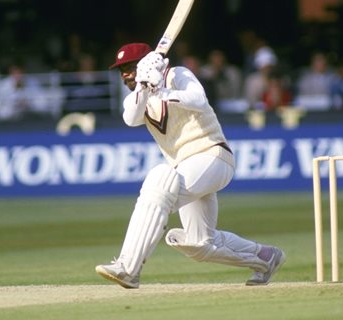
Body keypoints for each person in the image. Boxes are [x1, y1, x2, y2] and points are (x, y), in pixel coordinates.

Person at [96, 43, 285, 289]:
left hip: (213, 155)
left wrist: (162, 90)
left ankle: (128, 268)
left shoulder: (178, 75)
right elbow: (130, 118)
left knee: (159, 183)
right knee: (199, 244)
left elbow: (199, 99)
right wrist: (145, 85)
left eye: (129, 68)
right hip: (187, 168)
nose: (124, 75)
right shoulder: (138, 96)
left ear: (146, 63)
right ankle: (265, 258)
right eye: (121, 71)